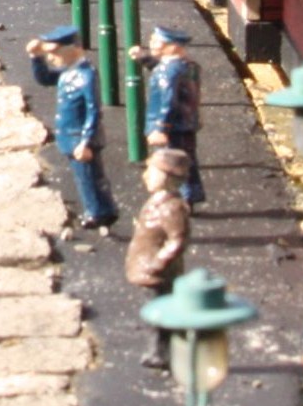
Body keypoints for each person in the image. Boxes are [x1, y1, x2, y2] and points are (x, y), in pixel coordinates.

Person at [27, 23, 118, 232]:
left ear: (73, 50)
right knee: (85, 177)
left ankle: (98, 211)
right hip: (70, 136)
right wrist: (36, 58)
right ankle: (100, 209)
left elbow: (94, 111)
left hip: (80, 138)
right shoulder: (68, 72)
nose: (51, 58)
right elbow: (44, 79)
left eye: (54, 53)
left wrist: (85, 141)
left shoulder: (86, 76)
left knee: (89, 177)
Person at [126, 147, 193, 368]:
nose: (145, 175)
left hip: (158, 272)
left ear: (166, 177)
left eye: (151, 171)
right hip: (149, 266)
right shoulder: (159, 202)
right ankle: (161, 346)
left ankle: (161, 352)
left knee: (161, 312)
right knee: (157, 308)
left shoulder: (171, 208)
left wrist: (158, 263)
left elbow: (177, 240)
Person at [131, 24, 205, 205]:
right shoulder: (185, 65)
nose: (152, 44)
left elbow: (168, 101)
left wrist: (160, 128)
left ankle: (182, 196)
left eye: (158, 42)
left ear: (172, 47)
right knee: (186, 158)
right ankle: (191, 193)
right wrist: (145, 58)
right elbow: (160, 65)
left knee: (171, 161)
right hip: (185, 122)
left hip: (173, 125)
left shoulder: (169, 72)